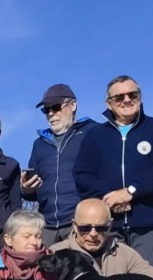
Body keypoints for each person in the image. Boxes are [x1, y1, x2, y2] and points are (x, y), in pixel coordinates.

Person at [74, 75, 153, 272]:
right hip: (108, 226)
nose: (127, 100)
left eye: (132, 94)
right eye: (119, 97)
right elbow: (82, 174)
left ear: (140, 97)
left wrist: (131, 191)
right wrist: (111, 197)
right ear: (109, 103)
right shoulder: (95, 135)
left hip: (148, 222)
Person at [25, 84, 98, 247]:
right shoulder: (39, 144)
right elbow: (32, 190)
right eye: (46, 109)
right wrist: (25, 189)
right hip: (47, 226)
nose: (51, 113)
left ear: (73, 105)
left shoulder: (93, 132)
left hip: (80, 223)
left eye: (56, 107)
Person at [49, 199, 153, 280]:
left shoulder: (123, 253)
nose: (93, 234)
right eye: (85, 228)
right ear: (74, 226)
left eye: (101, 228)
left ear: (110, 226)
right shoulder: (56, 254)